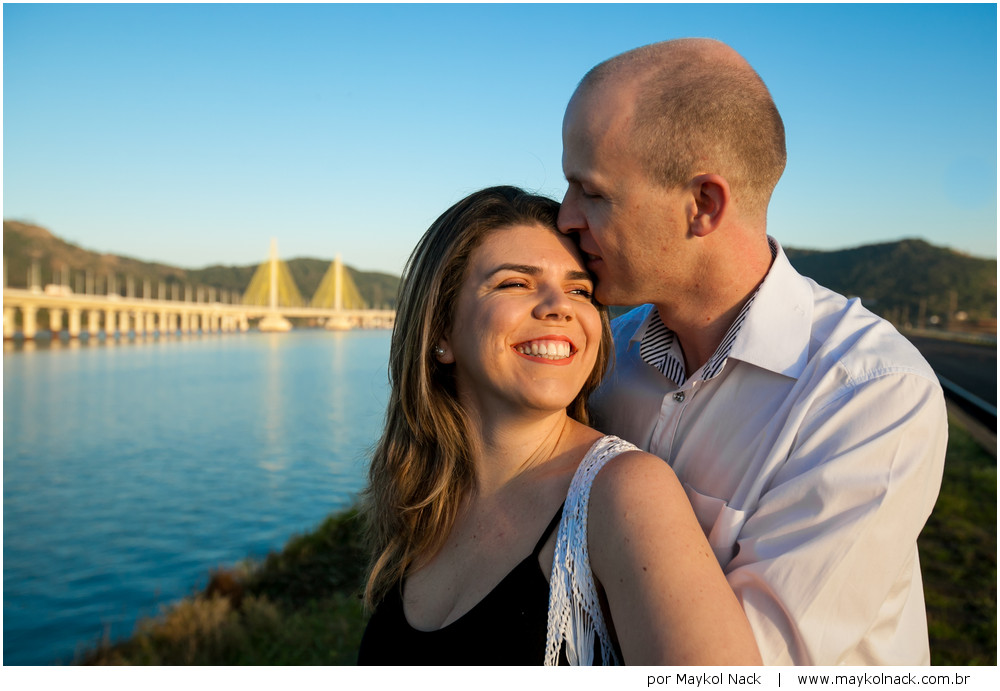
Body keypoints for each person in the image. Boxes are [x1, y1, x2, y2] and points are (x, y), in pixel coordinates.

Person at [557, 38, 948, 666]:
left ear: (703, 205)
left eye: (592, 192)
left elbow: (753, 666)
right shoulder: (604, 357)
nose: (565, 218)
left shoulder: (871, 396)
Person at [357, 185, 762, 665]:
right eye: (515, 283)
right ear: (440, 331)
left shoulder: (624, 493)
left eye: (579, 290)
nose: (559, 306)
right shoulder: (424, 497)